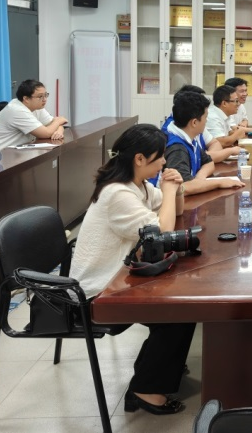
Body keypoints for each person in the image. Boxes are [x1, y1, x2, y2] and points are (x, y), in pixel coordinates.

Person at [69, 124, 194, 416]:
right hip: (96, 292)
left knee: (182, 307)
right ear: (139, 159)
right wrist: (170, 189)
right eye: (159, 157)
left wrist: (177, 189)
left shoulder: (138, 185)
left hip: (120, 278)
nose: (164, 162)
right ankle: (145, 389)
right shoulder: (117, 193)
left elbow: (175, 212)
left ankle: (155, 370)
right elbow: (163, 231)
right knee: (177, 312)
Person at [158, 91, 244, 196]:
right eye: (205, 118)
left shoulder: (189, 138)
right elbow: (183, 188)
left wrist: (199, 179)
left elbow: (209, 162)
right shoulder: (177, 148)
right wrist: (219, 183)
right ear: (194, 122)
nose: (206, 122)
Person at [0, 80, 68, 155]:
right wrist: (58, 121)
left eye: (45, 95)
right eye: (40, 96)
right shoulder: (17, 110)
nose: (44, 99)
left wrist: (59, 131)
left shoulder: (37, 107)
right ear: (26, 99)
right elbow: (46, 133)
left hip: (12, 153)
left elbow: (53, 124)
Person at [161, 85, 241, 164]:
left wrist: (207, 159)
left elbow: (214, 144)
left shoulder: (194, 124)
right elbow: (205, 158)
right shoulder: (174, 137)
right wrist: (212, 157)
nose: (206, 120)